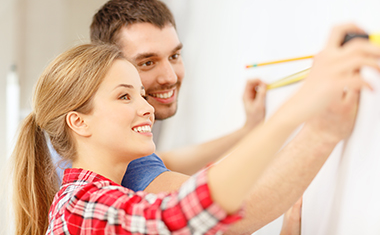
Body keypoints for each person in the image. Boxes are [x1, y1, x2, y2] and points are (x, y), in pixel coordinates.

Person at [12, 23, 380, 234]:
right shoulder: (80, 204)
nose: (146, 108)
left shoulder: (106, 193)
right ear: (78, 121)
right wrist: (307, 116)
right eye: (125, 97)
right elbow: (184, 216)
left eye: (141, 94)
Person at [89, 0, 373, 234]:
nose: (169, 76)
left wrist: (246, 132)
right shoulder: (88, 186)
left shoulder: (112, 146)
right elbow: (218, 210)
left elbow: (167, 161)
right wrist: (321, 130)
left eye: (174, 56)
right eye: (148, 62)